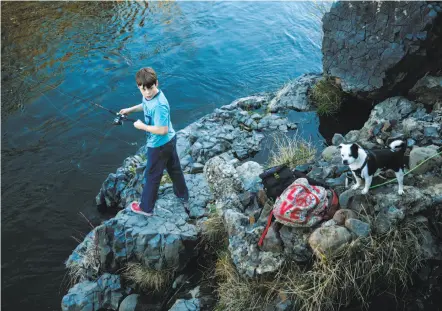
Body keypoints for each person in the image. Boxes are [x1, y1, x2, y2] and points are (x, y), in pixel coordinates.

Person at [119, 67, 189, 216]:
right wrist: (130, 110)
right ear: (139, 87)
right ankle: (182, 194)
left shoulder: (160, 105)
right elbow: (145, 105)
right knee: (174, 168)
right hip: (169, 140)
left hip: (159, 145)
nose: (147, 92)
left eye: (150, 88)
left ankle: (146, 208)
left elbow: (162, 129)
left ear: (156, 83)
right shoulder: (149, 97)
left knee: (152, 176)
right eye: (143, 89)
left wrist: (142, 126)